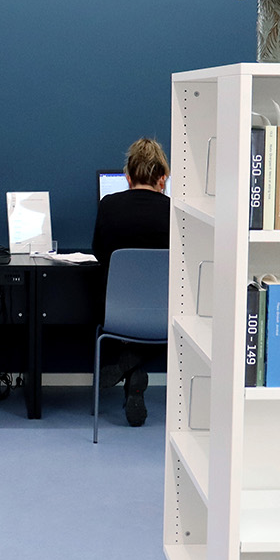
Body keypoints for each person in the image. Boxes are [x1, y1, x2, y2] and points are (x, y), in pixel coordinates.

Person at [90, 136, 171, 426]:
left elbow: (99, 253)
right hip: (164, 314)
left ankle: (126, 363)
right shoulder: (175, 211)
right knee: (176, 316)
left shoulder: (108, 205)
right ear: (162, 178)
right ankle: (131, 368)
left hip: (115, 313)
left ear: (128, 177)